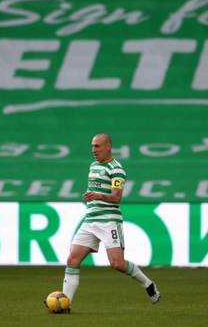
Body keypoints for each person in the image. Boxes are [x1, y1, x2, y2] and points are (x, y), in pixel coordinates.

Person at [61, 133, 160, 311]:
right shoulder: (93, 166)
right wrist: (92, 198)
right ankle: (65, 304)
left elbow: (117, 197)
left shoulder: (116, 169)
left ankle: (148, 284)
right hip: (90, 220)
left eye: (97, 146)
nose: (93, 150)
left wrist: (98, 195)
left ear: (108, 147)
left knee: (117, 264)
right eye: (92, 146)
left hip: (109, 222)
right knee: (72, 259)